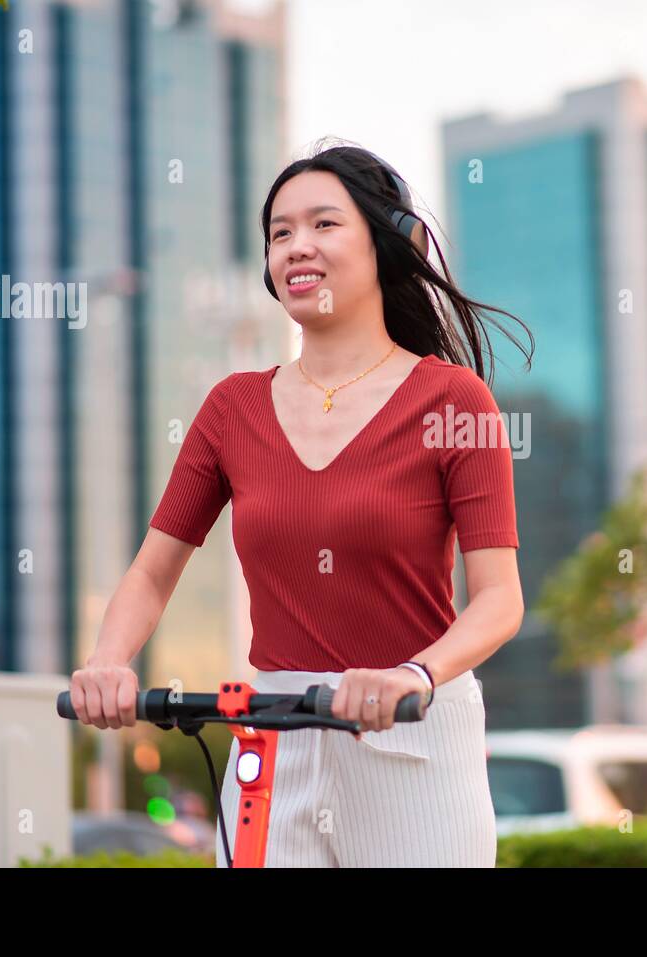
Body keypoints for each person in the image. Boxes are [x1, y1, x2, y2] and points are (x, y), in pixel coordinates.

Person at [67, 140, 534, 867]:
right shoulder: (232, 408)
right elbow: (153, 571)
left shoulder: (454, 401)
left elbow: (500, 600)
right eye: (279, 232)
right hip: (270, 741)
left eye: (323, 224)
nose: (296, 246)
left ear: (387, 244)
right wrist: (107, 659)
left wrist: (413, 674)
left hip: (414, 730)